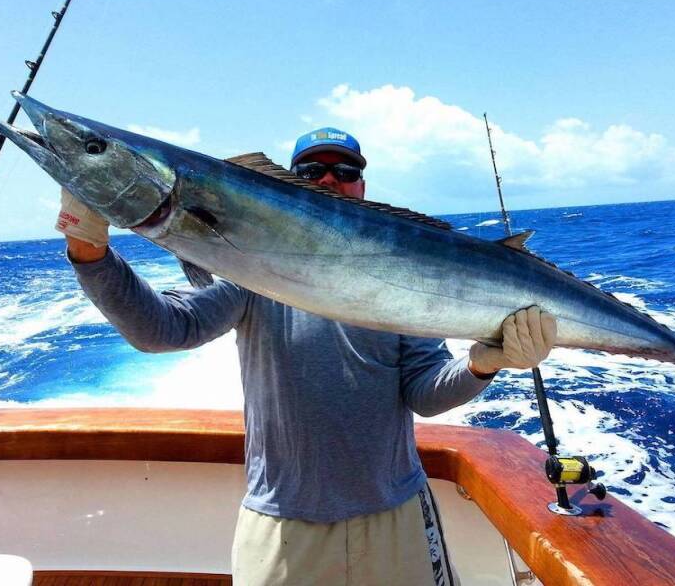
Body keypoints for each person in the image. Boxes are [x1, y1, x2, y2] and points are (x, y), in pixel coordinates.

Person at [57, 127, 557, 586]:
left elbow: (424, 394)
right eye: (310, 172)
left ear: (362, 186)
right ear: (284, 182)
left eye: (345, 172)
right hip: (280, 522)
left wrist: (482, 364)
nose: (329, 181)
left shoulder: (407, 276)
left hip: (395, 513)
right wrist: (90, 252)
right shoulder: (248, 269)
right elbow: (162, 328)